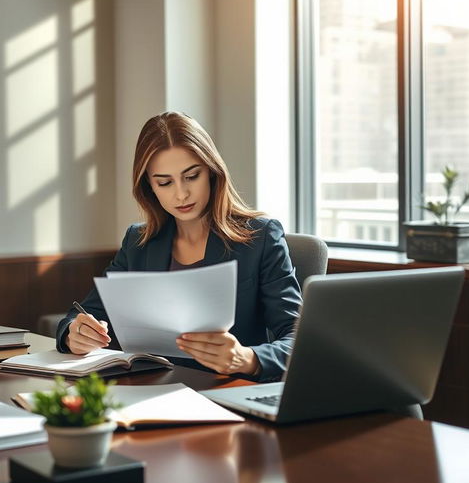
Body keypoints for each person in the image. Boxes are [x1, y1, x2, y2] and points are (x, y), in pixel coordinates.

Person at [56, 111, 302, 381]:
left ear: (211, 171)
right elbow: (86, 314)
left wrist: (248, 359)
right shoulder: (139, 242)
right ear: (149, 186)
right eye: (165, 182)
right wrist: (73, 333)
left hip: (228, 393)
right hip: (151, 391)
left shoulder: (260, 237)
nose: (181, 194)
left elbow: (298, 336)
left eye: (192, 176)